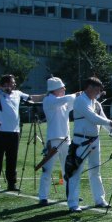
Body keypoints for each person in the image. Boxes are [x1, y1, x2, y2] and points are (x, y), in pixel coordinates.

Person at [65, 76, 112, 213]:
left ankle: (100, 200)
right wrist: (110, 122)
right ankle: (73, 203)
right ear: (89, 88)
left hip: (94, 141)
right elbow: (93, 118)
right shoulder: (80, 100)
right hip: (81, 141)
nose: (99, 92)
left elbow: (104, 122)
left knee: (95, 171)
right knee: (76, 171)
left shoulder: (96, 103)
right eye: (98, 89)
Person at [0, 74, 44, 193]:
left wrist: (47, 95)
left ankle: (11, 184)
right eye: (12, 83)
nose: (14, 85)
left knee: (12, 159)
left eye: (13, 83)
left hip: (14, 132)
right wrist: (2, 88)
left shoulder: (17, 93)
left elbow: (32, 98)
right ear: (5, 83)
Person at [38, 77, 77, 206]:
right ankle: (43, 196)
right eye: (61, 87)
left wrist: (82, 96)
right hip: (53, 140)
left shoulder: (62, 101)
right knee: (47, 169)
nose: (64, 89)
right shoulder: (49, 100)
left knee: (67, 169)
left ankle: (70, 195)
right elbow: (66, 99)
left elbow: (72, 103)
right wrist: (76, 95)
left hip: (66, 139)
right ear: (54, 89)